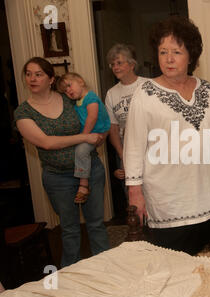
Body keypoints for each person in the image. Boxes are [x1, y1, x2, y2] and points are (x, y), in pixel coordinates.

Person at [123, 16, 210, 255]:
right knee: (174, 263)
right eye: (163, 51)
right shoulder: (144, 93)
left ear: (191, 56)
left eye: (176, 52)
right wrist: (135, 193)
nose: (168, 59)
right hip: (169, 198)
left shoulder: (207, 89)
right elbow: (133, 146)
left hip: (209, 191)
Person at [14, 57, 110, 267]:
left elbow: (94, 113)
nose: (32, 78)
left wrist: (100, 133)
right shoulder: (23, 113)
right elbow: (46, 143)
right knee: (69, 229)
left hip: (90, 170)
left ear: (50, 79)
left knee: (95, 224)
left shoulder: (69, 98)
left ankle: (108, 271)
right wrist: (84, 138)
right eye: (28, 74)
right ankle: (70, 282)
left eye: (38, 74)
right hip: (58, 178)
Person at [57, 73, 111, 203]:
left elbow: (92, 117)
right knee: (81, 151)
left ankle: (83, 184)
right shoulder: (77, 102)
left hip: (97, 132)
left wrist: (83, 137)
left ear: (81, 81)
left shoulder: (90, 97)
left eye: (69, 85)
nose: (68, 91)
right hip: (89, 134)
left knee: (81, 151)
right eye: (65, 90)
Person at [105, 44, 147, 200]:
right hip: (125, 144)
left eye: (119, 63)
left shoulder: (147, 85)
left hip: (149, 144)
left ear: (132, 64)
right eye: (112, 64)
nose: (115, 67)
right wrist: (123, 154)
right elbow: (113, 129)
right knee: (132, 195)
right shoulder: (111, 93)